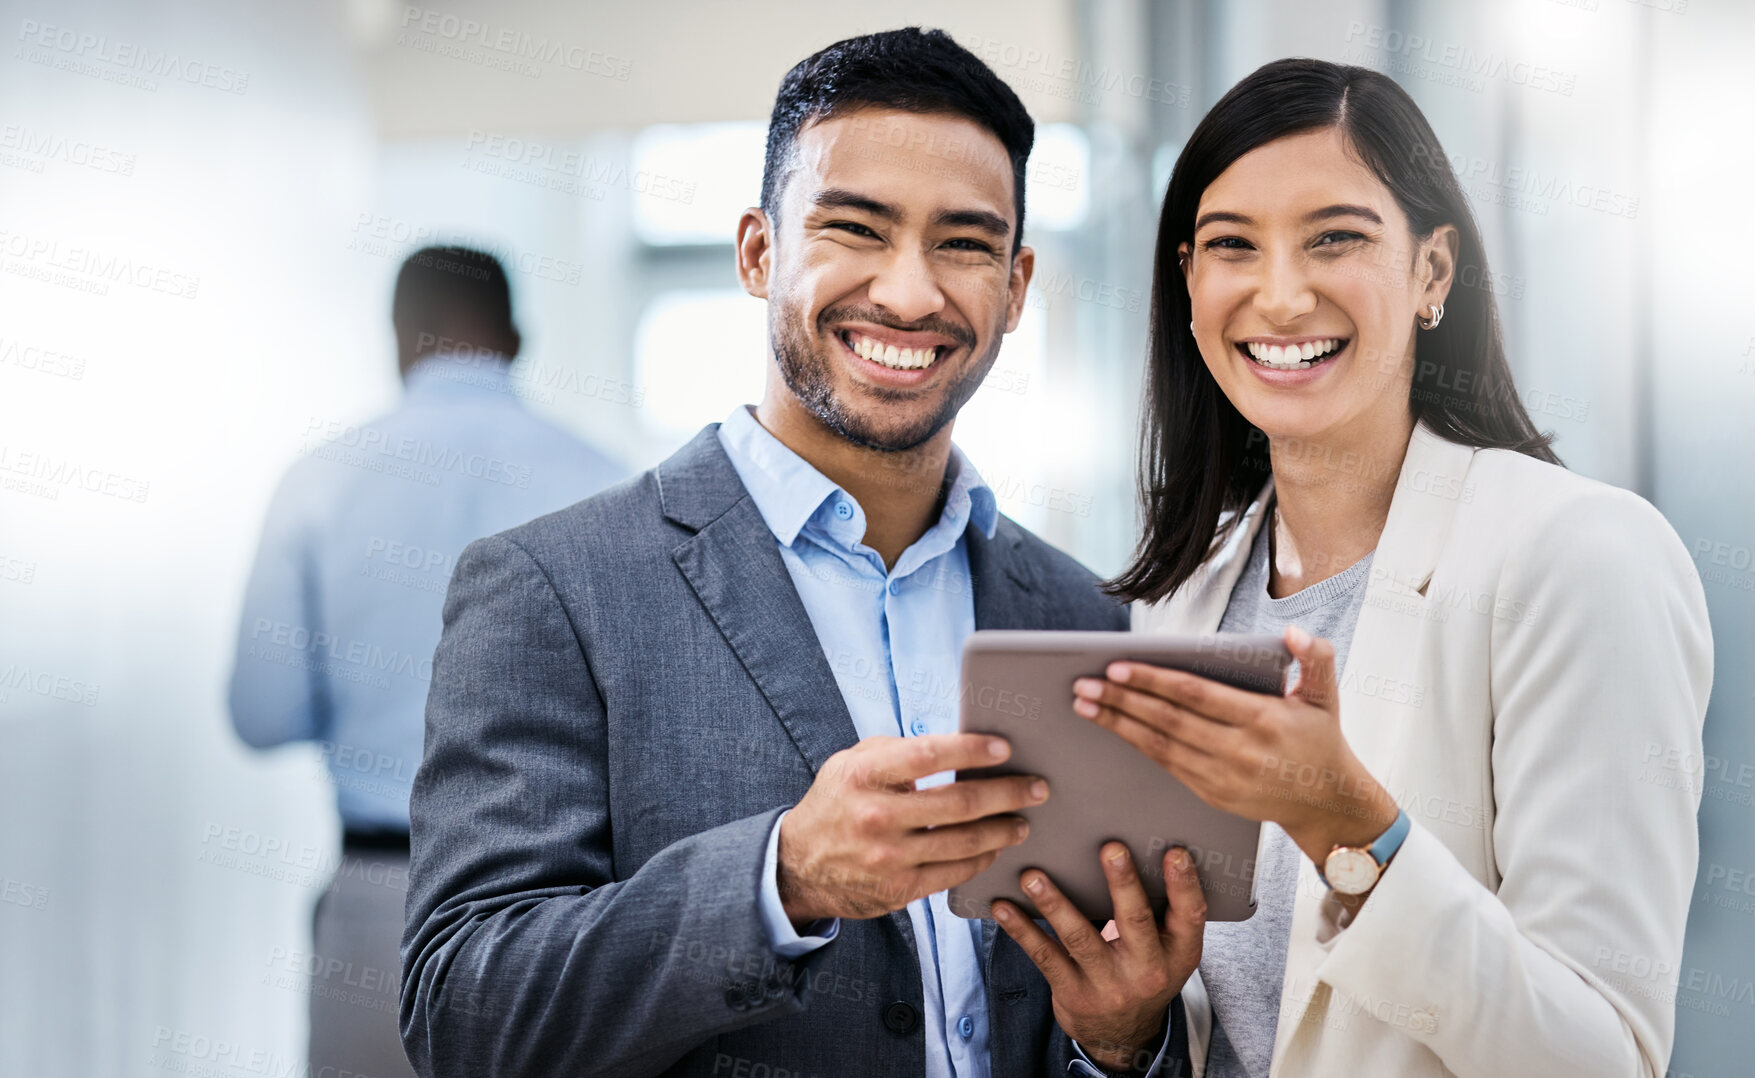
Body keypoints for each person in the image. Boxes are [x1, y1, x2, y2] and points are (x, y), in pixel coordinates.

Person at [399, 28, 1203, 1078]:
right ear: (757, 252)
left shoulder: (1082, 615)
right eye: (855, 229)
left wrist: (1116, 1040)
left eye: (963, 244)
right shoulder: (554, 589)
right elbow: (464, 1012)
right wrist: (780, 880)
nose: (909, 295)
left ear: (1015, 285)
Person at [1071, 59, 1712, 1077]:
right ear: (1188, 282)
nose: (1280, 296)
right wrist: (1125, 1032)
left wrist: (1350, 827)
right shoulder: (1178, 603)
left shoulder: (1582, 555)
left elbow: (1602, 1056)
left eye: (1336, 237)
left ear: (1431, 273)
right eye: (1233, 246)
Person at [229, 245, 626, 1078]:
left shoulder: (318, 478)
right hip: (566, 914)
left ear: (402, 337)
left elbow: (262, 715)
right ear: (516, 338)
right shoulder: (607, 482)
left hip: (384, 901)